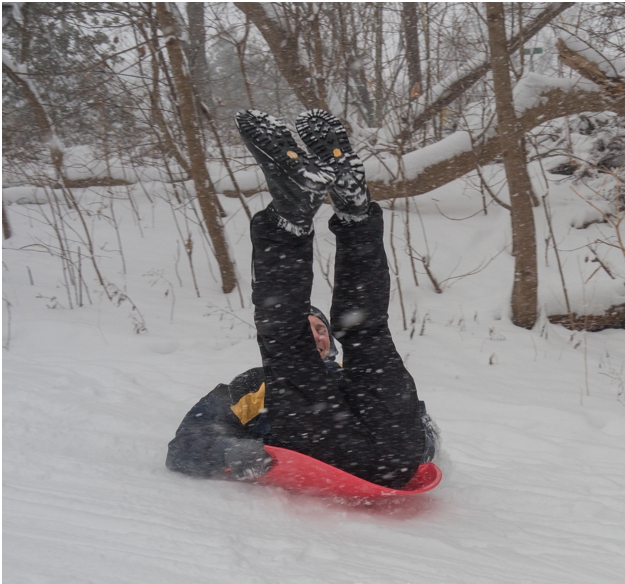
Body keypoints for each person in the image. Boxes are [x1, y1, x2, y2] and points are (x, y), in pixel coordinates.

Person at [166, 109, 438, 489]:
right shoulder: (254, 385)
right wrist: (230, 451)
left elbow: (427, 434)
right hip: (328, 448)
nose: (318, 334)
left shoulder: (354, 375)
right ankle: (348, 217)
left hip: (395, 456)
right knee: (296, 347)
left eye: (321, 328)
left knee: (365, 330)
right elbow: (186, 444)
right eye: (308, 327)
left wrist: (425, 436)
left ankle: (336, 211)